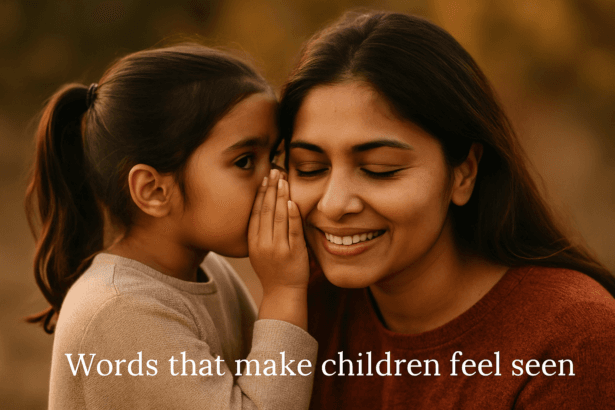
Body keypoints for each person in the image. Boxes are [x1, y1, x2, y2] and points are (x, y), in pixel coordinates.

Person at [277, 11, 615, 409]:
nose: (334, 204)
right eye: (310, 168)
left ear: (464, 173)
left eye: (379, 170)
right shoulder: (300, 313)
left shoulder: (574, 339)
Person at [25, 43, 315, 409]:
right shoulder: (120, 310)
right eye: (245, 161)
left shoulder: (209, 271)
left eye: (273, 157)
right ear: (154, 190)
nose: (276, 179)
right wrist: (284, 292)